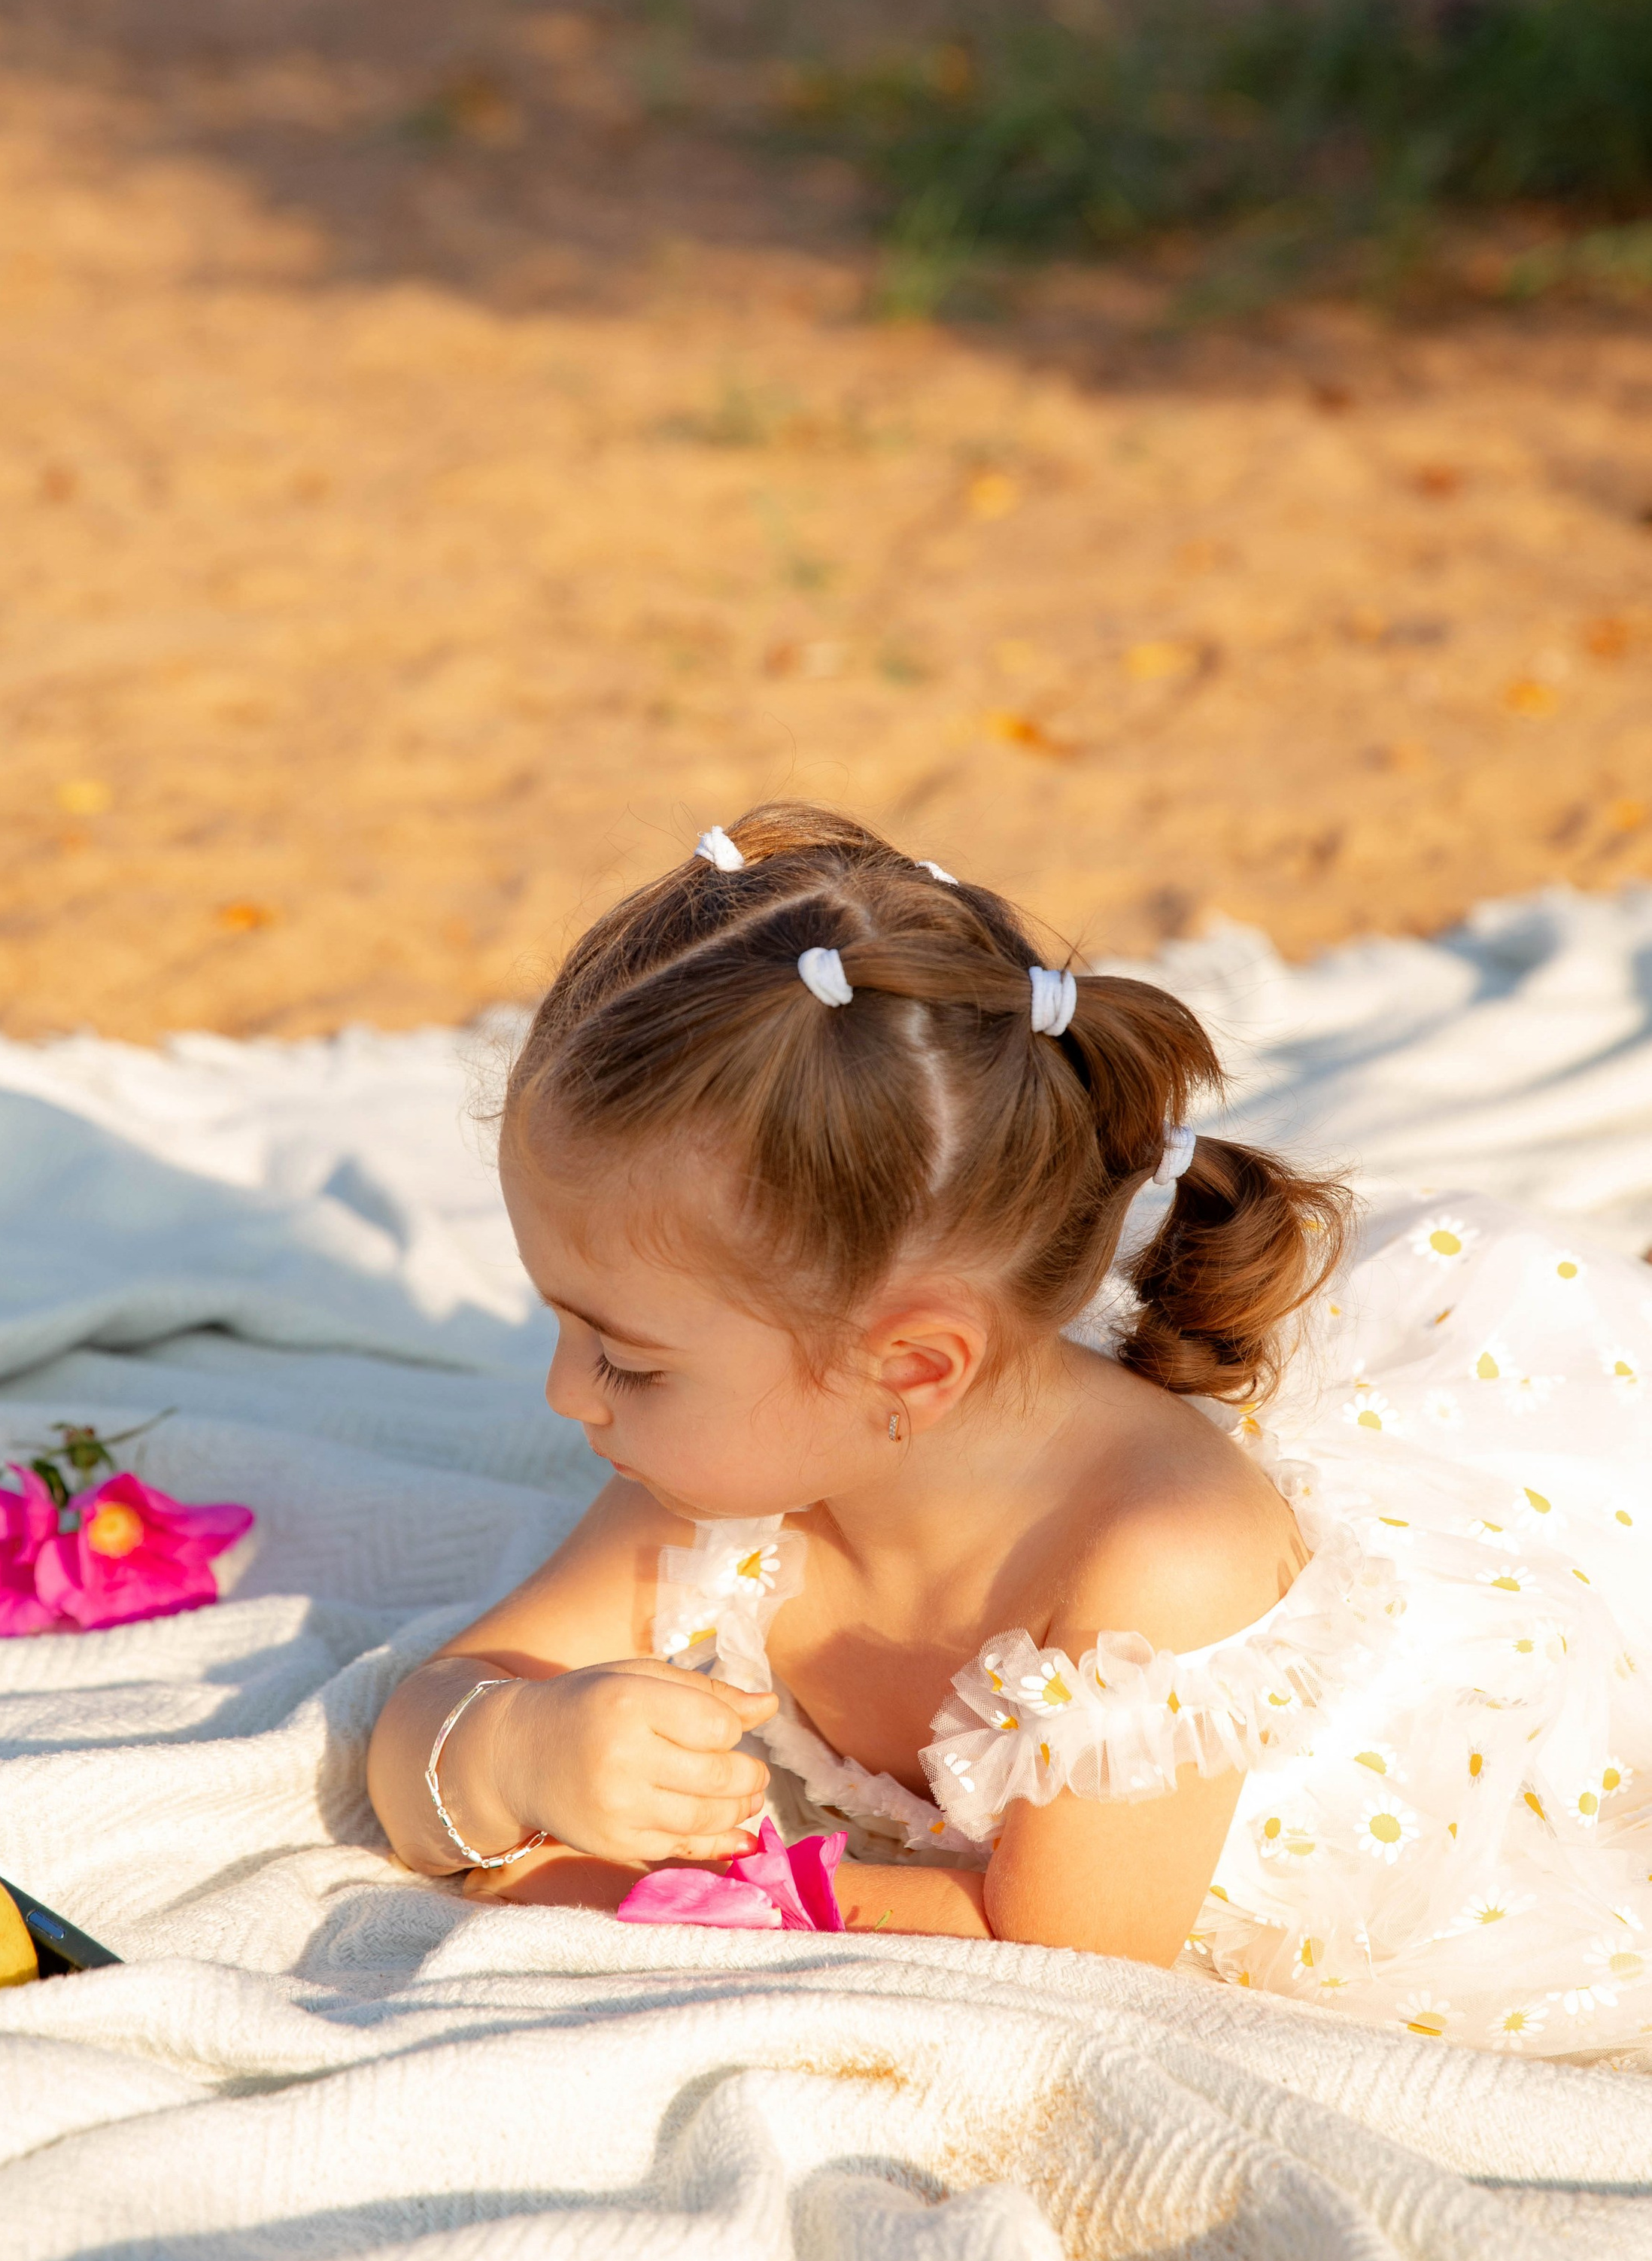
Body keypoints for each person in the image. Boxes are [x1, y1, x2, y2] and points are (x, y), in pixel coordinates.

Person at [367, 804, 1652, 2056]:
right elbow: (439, 1708)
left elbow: (1058, 1965)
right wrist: (514, 1753)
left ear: (910, 1369)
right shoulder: (722, 1491)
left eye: (629, 1362)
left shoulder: (1159, 1565)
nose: (566, 1395)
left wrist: (653, 1896)